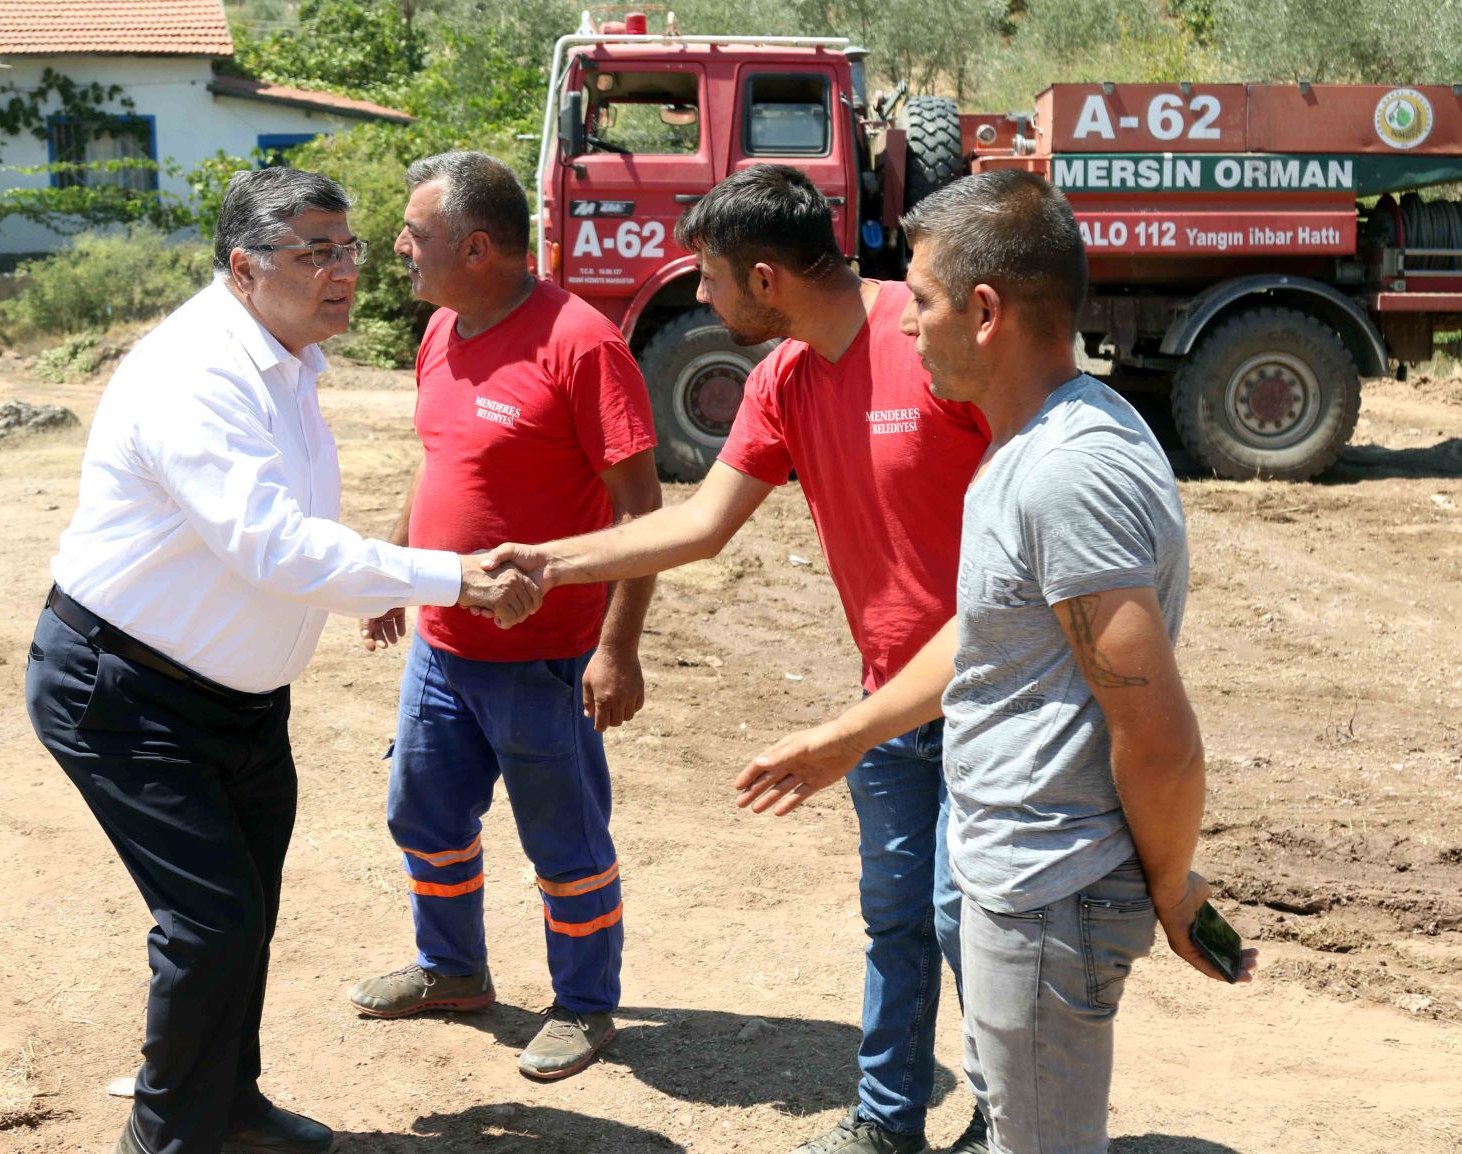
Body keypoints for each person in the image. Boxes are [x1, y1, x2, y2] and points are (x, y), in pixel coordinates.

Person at [733, 169, 1259, 1154]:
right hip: (1023, 883)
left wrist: (1173, 885)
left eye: (920, 301)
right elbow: (985, 632)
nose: (902, 325)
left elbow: (1159, 733)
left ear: (983, 311)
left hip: (1049, 891)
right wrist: (841, 736)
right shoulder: (1030, 445)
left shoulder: (1066, 473)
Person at [23, 166, 542, 1154]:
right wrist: (442, 576)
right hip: (126, 692)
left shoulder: (288, 358)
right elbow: (267, 541)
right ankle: (167, 1137)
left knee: (245, 914)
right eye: (316, 253)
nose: (346, 271)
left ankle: (231, 1106)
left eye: (348, 248)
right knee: (210, 922)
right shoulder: (198, 374)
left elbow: (294, 535)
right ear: (244, 266)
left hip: (239, 704)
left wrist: (372, 577)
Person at [481, 164, 991, 1153]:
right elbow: (702, 524)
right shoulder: (785, 379)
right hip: (886, 701)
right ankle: (887, 1125)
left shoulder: (932, 343)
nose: (700, 297)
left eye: (708, 279)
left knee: (969, 922)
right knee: (895, 919)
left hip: (993, 696)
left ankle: (1004, 1123)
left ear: (765, 278)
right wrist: (546, 561)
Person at [343, 151, 661, 1081]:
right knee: (424, 816)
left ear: (478, 246)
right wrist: (399, 574)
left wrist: (618, 650)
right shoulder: (442, 329)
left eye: (417, 234)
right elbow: (439, 463)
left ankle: (587, 1006)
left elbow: (642, 513)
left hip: (547, 659)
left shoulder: (581, 342)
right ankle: (452, 970)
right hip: (444, 649)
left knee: (565, 844)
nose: (399, 247)